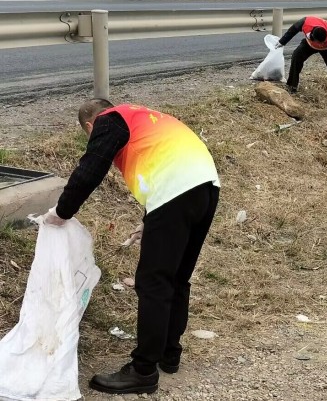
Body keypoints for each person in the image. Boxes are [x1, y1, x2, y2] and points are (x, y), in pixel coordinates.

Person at [42, 99, 220, 395]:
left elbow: (91, 168)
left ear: (90, 125)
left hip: (176, 190)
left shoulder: (108, 120)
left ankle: (143, 371)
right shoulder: (141, 116)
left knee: (152, 283)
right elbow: (164, 161)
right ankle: (169, 353)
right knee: (177, 278)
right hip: (206, 187)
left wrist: (62, 212)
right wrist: (150, 219)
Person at [278, 16, 327, 116]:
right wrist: (281, 42)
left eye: (322, 42)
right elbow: (292, 31)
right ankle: (292, 85)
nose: (321, 44)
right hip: (310, 44)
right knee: (296, 56)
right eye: (320, 42)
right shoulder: (306, 23)